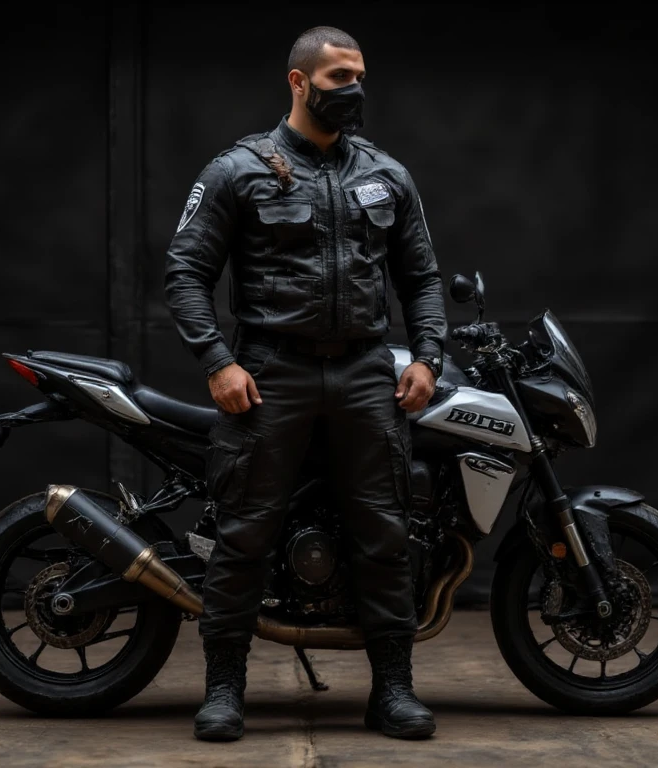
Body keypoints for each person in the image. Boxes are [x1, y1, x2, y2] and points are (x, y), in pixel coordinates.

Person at [163, 25, 448, 742]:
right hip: (271, 374)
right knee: (244, 536)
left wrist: (428, 356)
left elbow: (421, 278)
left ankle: (393, 693)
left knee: (383, 535)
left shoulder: (387, 176)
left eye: (359, 77)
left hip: (363, 372)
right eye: (339, 79)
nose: (354, 91)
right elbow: (185, 274)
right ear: (299, 83)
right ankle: (225, 692)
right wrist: (217, 362)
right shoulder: (237, 171)